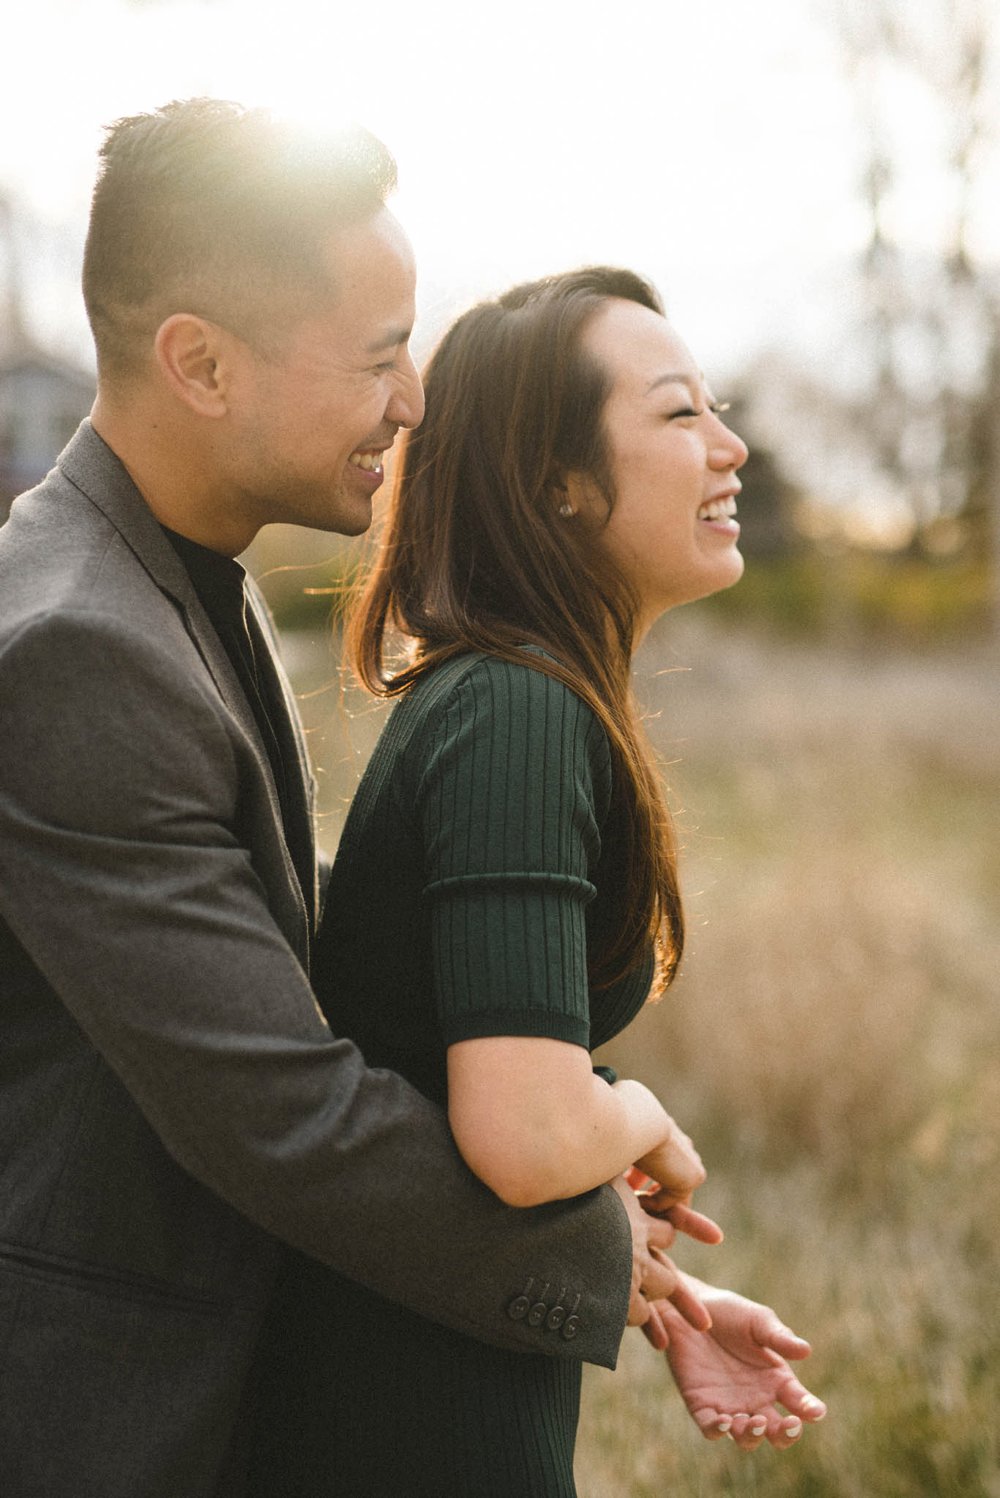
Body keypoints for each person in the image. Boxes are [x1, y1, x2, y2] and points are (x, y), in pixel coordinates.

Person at [0, 103, 696, 1498]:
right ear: (197, 361)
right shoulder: (78, 644)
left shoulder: (187, 575)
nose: (417, 402)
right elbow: (279, 1113)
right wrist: (590, 1250)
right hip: (99, 1416)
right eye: (380, 357)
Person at [252, 268, 826, 1495]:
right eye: (678, 415)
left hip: (438, 1368)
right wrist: (646, 1117)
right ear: (555, 482)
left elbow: (435, 1061)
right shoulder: (517, 708)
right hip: (404, 1418)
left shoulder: (515, 695)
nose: (729, 447)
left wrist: (659, 1293)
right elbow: (521, 1131)